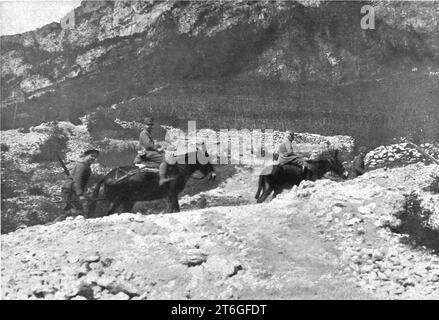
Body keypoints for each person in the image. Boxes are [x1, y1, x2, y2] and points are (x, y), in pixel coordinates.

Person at [59, 149, 99, 220]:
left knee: (76, 212)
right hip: (70, 190)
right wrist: (80, 195)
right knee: (70, 211)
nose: (94, 158)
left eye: (95, 157)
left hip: (73, 190)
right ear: (85, 155)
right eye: (92, 156)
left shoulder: (87, 167)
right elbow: (77, 181)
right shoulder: (82, 166)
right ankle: (54, 225)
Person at [134, 117, 172, 186]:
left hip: (148, 152)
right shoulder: (144, 133)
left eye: (151, 125)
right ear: (144, 125)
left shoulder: (146, 133)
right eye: (148, 125)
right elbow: (149, 146)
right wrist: (158, 149)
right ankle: (162, 179)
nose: (150, 126)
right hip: (146, 153)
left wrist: (159, 146)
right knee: (165, 159)